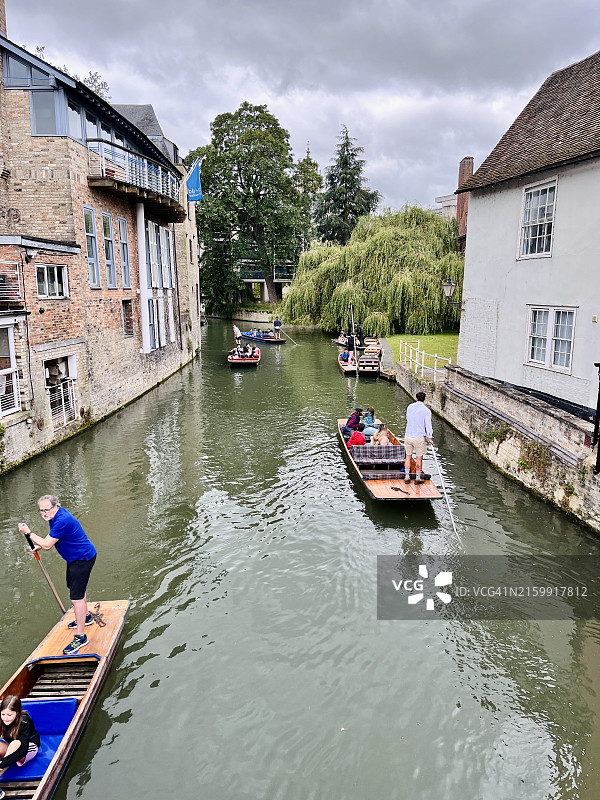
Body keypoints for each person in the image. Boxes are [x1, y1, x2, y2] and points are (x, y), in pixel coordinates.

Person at [18, 495, 97, 656]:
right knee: (77, 591)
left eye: (47, 510)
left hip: (82, 559)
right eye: (41, 511)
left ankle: (81, 637)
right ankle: (86, 617)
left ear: (56, 506)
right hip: (74, 558)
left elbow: (47, 545)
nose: (44, 514)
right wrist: (39, 546)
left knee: (76, 598)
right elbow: (54, 538)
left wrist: (28, 533)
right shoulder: (56, 516)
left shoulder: (62, 520)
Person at [0, 695, 41, 783]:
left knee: (16, 743)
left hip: (28, 749)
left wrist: (3, 763)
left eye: (9, 715)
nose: (5, 718)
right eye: (3, 714)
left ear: (17, 712)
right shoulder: (1, 720)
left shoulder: (25, 721)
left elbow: (23, 750)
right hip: (10, 747)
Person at [404, 391, 434, 484]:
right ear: (424, 400)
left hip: (408, 435)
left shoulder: (410, 407)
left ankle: (407, 476)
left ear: (416, 398)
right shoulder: (426, 411)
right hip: (419, 437)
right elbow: (428, 425)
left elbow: (407, 418)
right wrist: (430, 438)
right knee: (419, 458)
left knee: (408, 456)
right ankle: (417, 478)